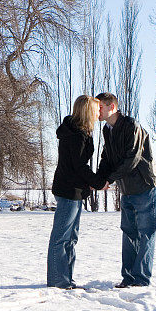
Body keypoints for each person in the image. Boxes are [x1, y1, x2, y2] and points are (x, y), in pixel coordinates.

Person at [95, 92, 156, 287]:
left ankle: (141, 279)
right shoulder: (108, 129)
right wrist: (100, 179)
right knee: (129, 232)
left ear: (111, 107)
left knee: (145, 232)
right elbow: (107, 158)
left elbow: (133, 158)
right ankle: (128, 278)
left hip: (144, 187)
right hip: (126, 189)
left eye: (100, 107)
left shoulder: (131, 126)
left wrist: (110, 179)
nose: (96, 111)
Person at [47, 95, 108, 289]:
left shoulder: (79, 132)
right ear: (88, 111)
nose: (100, 113)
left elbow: (78, 167)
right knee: (61, 237)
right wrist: (98, 182)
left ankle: (66, 279)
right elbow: (79, 166)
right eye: (97, 109)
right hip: (68, 190)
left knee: (71, 237)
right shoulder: (76, 135)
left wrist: (89, 183)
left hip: (73, 189)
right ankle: (59, 280)